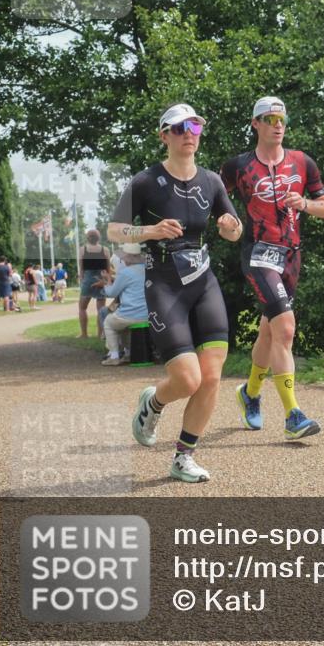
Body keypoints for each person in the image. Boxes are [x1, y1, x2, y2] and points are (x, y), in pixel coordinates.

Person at [108, 103, 242, 483]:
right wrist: (149, 232)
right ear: (163, 135)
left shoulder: (213, 181)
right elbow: (115, 230)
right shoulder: (145, 182)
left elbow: (235, 231)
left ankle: (183, 457)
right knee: (187, 380)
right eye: (180, 127)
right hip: (164, 283)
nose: (189, 134)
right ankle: (153, 402)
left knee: (212, 377)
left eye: (195, 127)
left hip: (203, 283)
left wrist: (230, 226)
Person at [221, 96, 324, 440]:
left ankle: (250, 394)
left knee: (269, 332)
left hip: (291, 256)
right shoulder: (237, 166)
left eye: (281, 118)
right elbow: (216, 205)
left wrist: (306, 204)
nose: (278, 125)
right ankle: (292, 415)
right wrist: (225, 226)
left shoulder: (302, 162)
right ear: (255, 124)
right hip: (257, 253)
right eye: (269, 119)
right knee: (285, 328)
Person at [100, 243, 148, 366]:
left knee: (109, 323)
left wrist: (107, 281)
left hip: (131, 313)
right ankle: (128, 354)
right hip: (147, 314)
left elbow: (111, 293)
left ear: (127, 258)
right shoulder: (146, 269)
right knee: (123, 326)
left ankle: (114, 356)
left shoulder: (125, 272)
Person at [77, 229, 110, 339]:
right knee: (101, 310)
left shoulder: (83, 250)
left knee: (82, 308)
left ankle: (84, 334)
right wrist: (107, 281)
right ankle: (100, 335)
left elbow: (81, 269)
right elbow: (108, 269)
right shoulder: (105, 250)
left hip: (88, 281)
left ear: (88, 238)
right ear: (98, 238)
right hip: (101, 281)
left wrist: (82, 280)